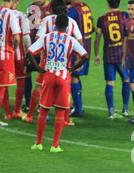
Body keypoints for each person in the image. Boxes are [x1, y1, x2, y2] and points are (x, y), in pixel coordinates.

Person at [27, 14, 88, 153]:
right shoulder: (70, 40)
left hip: (48, 76)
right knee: (60, 111)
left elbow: (30, 51)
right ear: (67, 27)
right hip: (63, 77)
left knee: (43, 110)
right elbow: (86, 56)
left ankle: (38, 143)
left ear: (55, 25)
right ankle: (55, 146)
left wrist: (37, 67)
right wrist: (72, 68)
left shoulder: (47, 37)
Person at [94, 0, 134, 119]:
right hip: (126, 57)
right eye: (129, 9)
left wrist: (96, 54)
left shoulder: (102, 19)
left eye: (132, 9)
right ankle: (130, 111)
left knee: (120, 84)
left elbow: (97, 37)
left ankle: (118, 112)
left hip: (117, 56)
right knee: (130, 83)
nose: (129, 11)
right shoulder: (125, 18)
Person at [65, 0, 94, 118]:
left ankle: (77, 108)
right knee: (75, 76)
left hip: (77, 48)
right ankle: (78, 107)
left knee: (73, 76)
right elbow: (91, 28)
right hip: (87, 45)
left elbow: (67, 31)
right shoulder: (86, 6)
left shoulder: (72, 11)